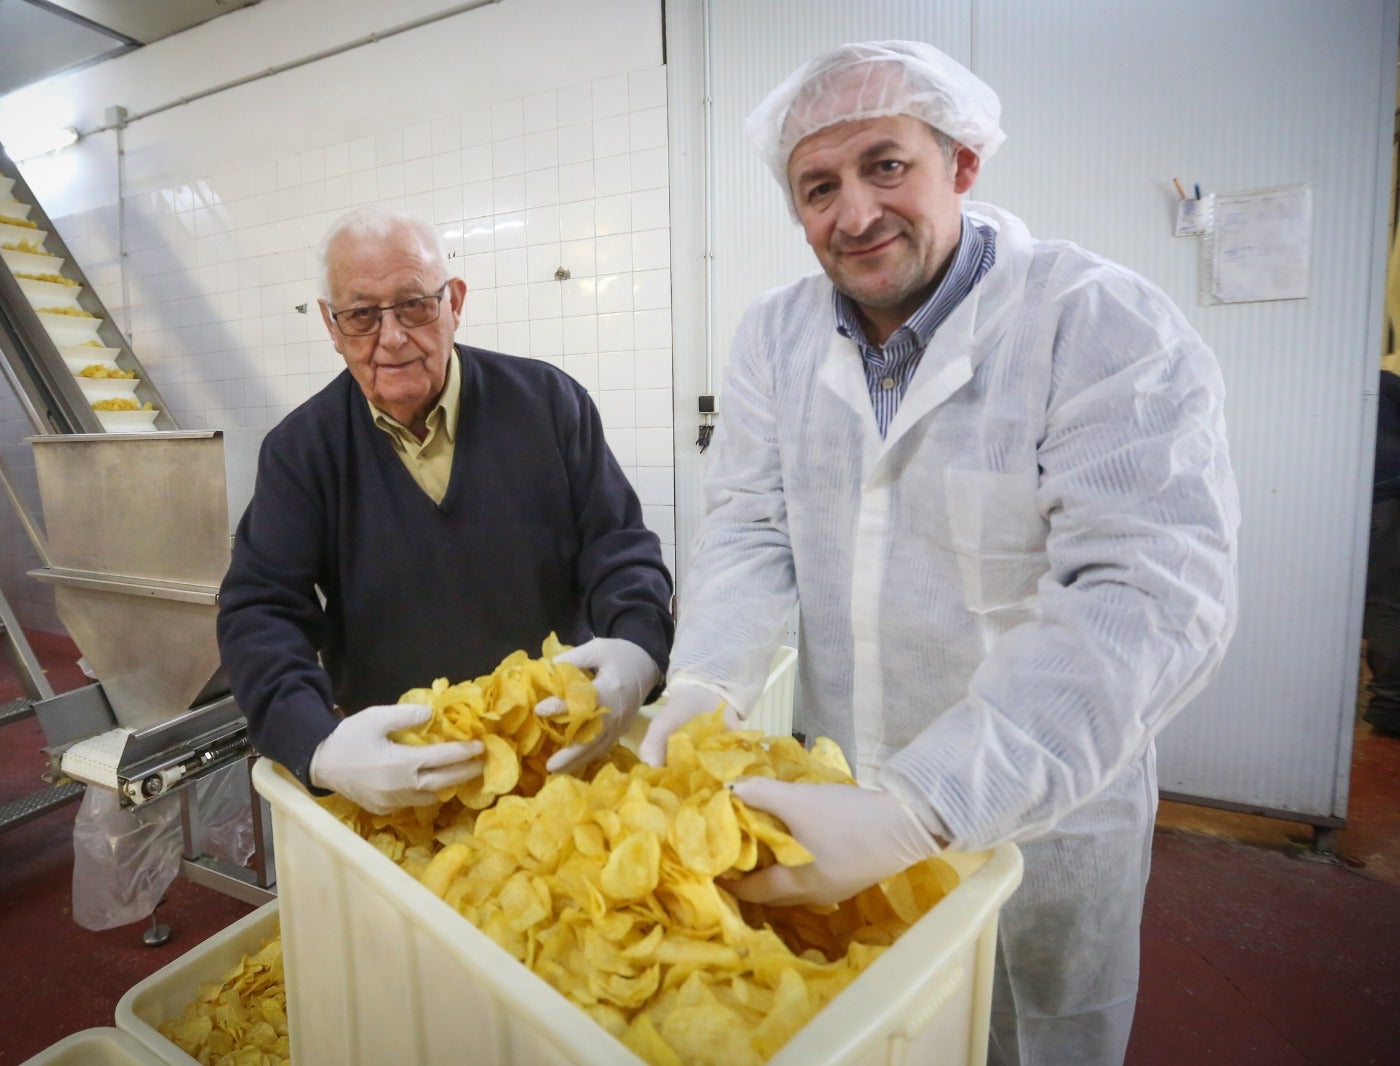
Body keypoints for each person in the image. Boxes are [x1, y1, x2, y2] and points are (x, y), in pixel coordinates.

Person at [640, 42, 1239, 1065]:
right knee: (883, 1033)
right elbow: (749, 524)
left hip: (1047, 812)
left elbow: (1146, 597)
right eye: (818, 187)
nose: (855, 213)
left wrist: (926, 806)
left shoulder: (1096, 323)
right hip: (840, 792)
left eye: (886, 165)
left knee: (1033, 1033)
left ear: (960, 162)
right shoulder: (775, 340)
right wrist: (704, 681)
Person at [218, 206, 672, 814]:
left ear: (454, 302)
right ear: (331, 325)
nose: (391, 338)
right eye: (361, 315)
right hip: (398, 777)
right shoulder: (301, 452)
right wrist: (317, 744)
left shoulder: (548, 405)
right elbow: (261, 609)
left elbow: (619, 548)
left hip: (558, 755)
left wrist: (640, 646)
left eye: (414, 305)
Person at [1363, 368, 1400, 737]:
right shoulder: (1386, 382)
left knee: (1381, 604)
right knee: (1384, 602)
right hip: (1383, 498)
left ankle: (1390, 702)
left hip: (1370, 498)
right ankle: (1390, 701)